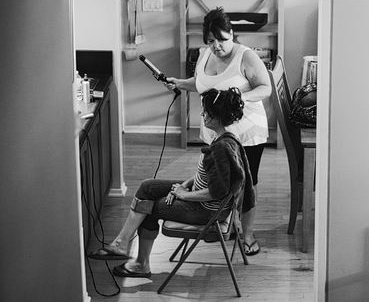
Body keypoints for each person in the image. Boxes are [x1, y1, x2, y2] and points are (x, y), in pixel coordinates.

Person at [88, 87, 255, 278]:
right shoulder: (225, 138)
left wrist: (184, 195)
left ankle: (140, 264)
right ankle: (121, 243)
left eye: (206, 112)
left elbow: (217, 191)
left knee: (147, 208)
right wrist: (184, 184)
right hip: (198, 196)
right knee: (147, 186)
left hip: (206, 211)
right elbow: (207, 175)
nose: (202, 115)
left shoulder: (222, 148)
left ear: (216, 117)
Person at [164, 6, 271, 256]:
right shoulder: (205, 54)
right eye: (211, 41)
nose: (217, 46)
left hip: (246, 134)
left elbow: (265, 88)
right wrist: (179, 83)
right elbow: (202, 84)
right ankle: (225, 225)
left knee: (246, 183)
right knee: (219, 181)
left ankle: (248, 234)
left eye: (222, 39)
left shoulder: (245, 57)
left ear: (231, 34)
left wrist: (235, 96)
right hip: (215, 134)